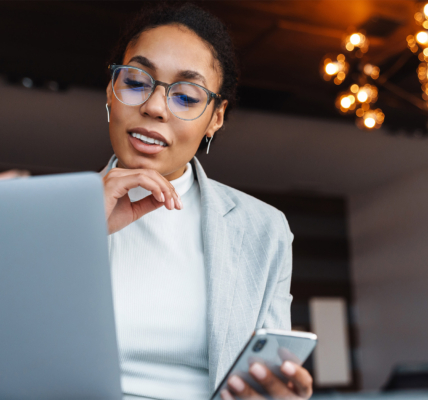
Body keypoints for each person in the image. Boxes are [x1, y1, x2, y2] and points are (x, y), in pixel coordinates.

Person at [100, 2, 313, 400]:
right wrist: (75, 229)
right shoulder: (37, 213)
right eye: (135, 81)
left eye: (186, 96)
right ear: (111, 92)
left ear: (216, 117)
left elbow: (263, 375)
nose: (154, 106)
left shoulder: (264, 230)